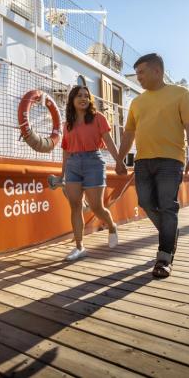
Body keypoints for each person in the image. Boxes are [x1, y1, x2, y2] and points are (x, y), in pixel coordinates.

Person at [115, 53, 189, 278]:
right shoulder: (136, 102)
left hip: (171, 160)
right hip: (143, 161)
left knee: (167, 205)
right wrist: (120, 159)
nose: (138, 77)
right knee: (145, 201)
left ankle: (164, 257)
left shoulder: (181, 94)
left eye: (141, 72)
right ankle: (169, 233)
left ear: (157, 71)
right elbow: (129, 133)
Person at [61, 85, 122, 261]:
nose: (83, 99)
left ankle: (111, 225)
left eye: (86, 96)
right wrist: (62, 173)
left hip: (93, 162)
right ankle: (79, 247)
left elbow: (109, 142)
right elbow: (65, 150)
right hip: (72, 164)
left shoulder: (98, 118)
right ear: (72, 100)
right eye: (79, 96)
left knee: (96, 206)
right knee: (75, 205)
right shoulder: (67, 124)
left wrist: (119, 161)